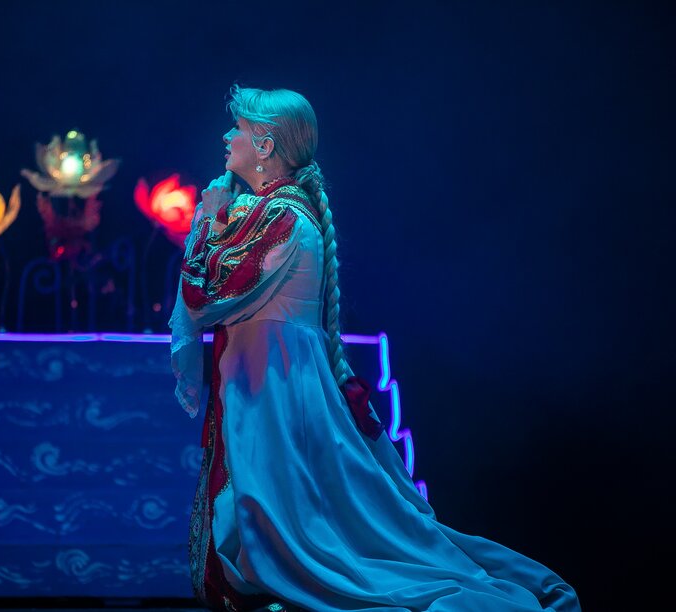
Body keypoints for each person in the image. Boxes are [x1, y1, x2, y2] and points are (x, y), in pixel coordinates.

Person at [168, 84, 581, 612]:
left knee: (288, 517)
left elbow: (207, 297)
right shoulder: (264, 212)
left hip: (275, 390)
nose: (227, 137)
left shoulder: (283, 217)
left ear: (266, 146)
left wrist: (208, 221)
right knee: (275, 511)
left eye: (240, 129)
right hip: (264, 382)